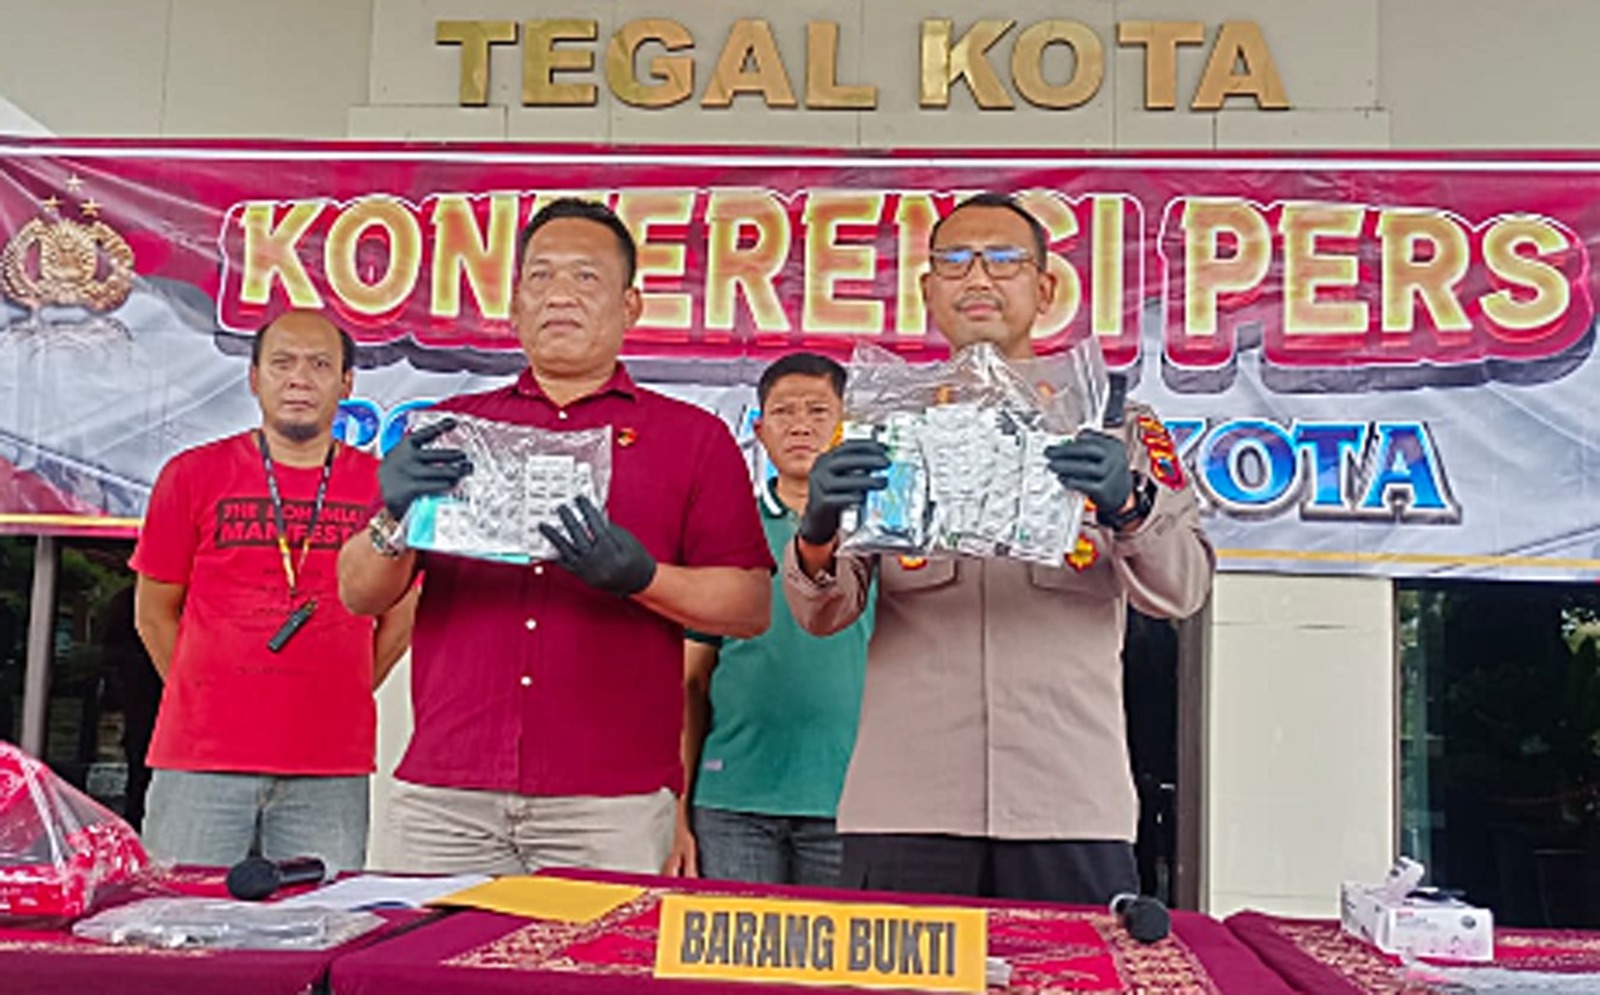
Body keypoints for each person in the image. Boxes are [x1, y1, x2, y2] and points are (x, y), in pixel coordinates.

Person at [784, 192, 1216, 905]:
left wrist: (1129, 506)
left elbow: (1183, 589)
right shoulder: (886, 429)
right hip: (908, 803)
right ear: (927, 290)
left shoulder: (1113, 426)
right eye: (954, 261)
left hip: (1069, 802)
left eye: (1004, 260)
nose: (978, 277)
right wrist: (819, 525)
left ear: (1044, 289)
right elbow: (822, 613)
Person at [338, 198, 773, 877]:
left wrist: (643, 578)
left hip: (610, 800)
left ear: (630, 307)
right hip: (448, 794)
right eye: (539, 276)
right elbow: (359, 594)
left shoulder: (693, 440)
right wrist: (393, 515)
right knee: (423, 946)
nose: (560, 294)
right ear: (514, 307)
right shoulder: (452, 430)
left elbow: (749, 606)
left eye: (585, 276)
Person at [131, 309, 416, 871]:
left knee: (316, 915)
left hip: (329, 764)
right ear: (254, 378)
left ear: (347, 384)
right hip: (200, 760)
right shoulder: (190, 474)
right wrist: (206, 696)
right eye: (282, 363)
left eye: (320, 365)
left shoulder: (383, 487)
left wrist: (345, 687)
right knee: (182, 915)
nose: (299, 379)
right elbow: (153, 613)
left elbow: (401, 616)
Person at [668, 353, 874, 886]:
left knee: (838, 945)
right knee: (732, 944)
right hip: (732, 802)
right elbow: (691, 681)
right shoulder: (727, 532)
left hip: (854, 802)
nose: (800, 425)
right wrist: (678, 814)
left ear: (848, 425)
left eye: (818, 411)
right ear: (758, 431)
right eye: (783, 412)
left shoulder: (885, 535)